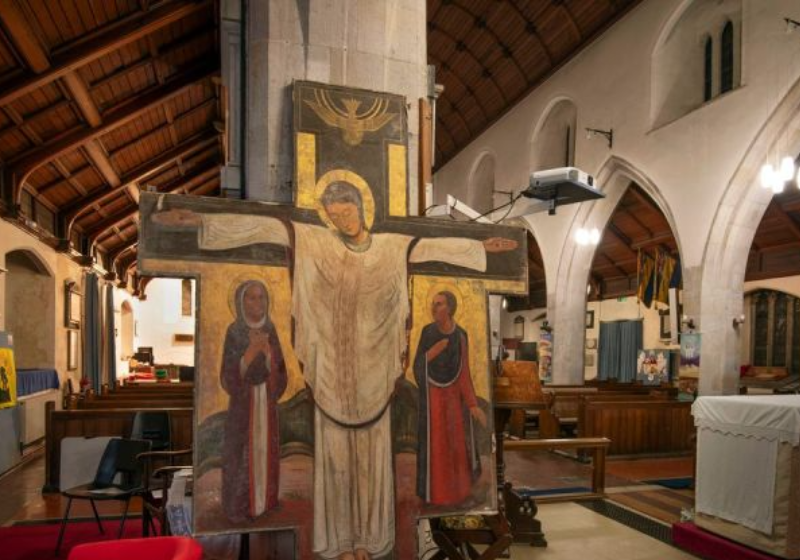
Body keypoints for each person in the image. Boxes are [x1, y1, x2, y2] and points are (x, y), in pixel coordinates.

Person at [153, 182, 516, 560]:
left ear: (361, 208)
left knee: (373, 460)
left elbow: (429, 247)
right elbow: (266, 228)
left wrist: (479, 247)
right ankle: (339, 542)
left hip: (374, 373)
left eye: (346, 212)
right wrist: (199, 220)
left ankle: (371, 540)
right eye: (334, 215)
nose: (341, 220)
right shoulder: (316, 243)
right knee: (334, 460)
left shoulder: (391, 247)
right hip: (330, 374)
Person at [220, 280, 287, 523]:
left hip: (265, 404)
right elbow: (227, 376)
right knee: (241, 455)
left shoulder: (271, 329)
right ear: (240, 302)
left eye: (262, 298)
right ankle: (239, 507)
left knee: (264, 451)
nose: (257, 303)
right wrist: (248, 355)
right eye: (252, 298)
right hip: (243, 407)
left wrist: (268, 353)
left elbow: (281, 373)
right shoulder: (234, 331)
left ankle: (266, 503)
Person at [414, 290, 487, 507]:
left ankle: (460, 494)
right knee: (438, 446)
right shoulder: (428, 332)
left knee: (456, 445)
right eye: (433, 304)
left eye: (439, 304)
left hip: (454, 399)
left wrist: (473, 404)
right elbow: (417, 365)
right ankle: (437, 496)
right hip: (434, 398)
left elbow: (464, 372)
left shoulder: (460, 335)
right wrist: (433, 352)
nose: (434, 308)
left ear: (450, 308)